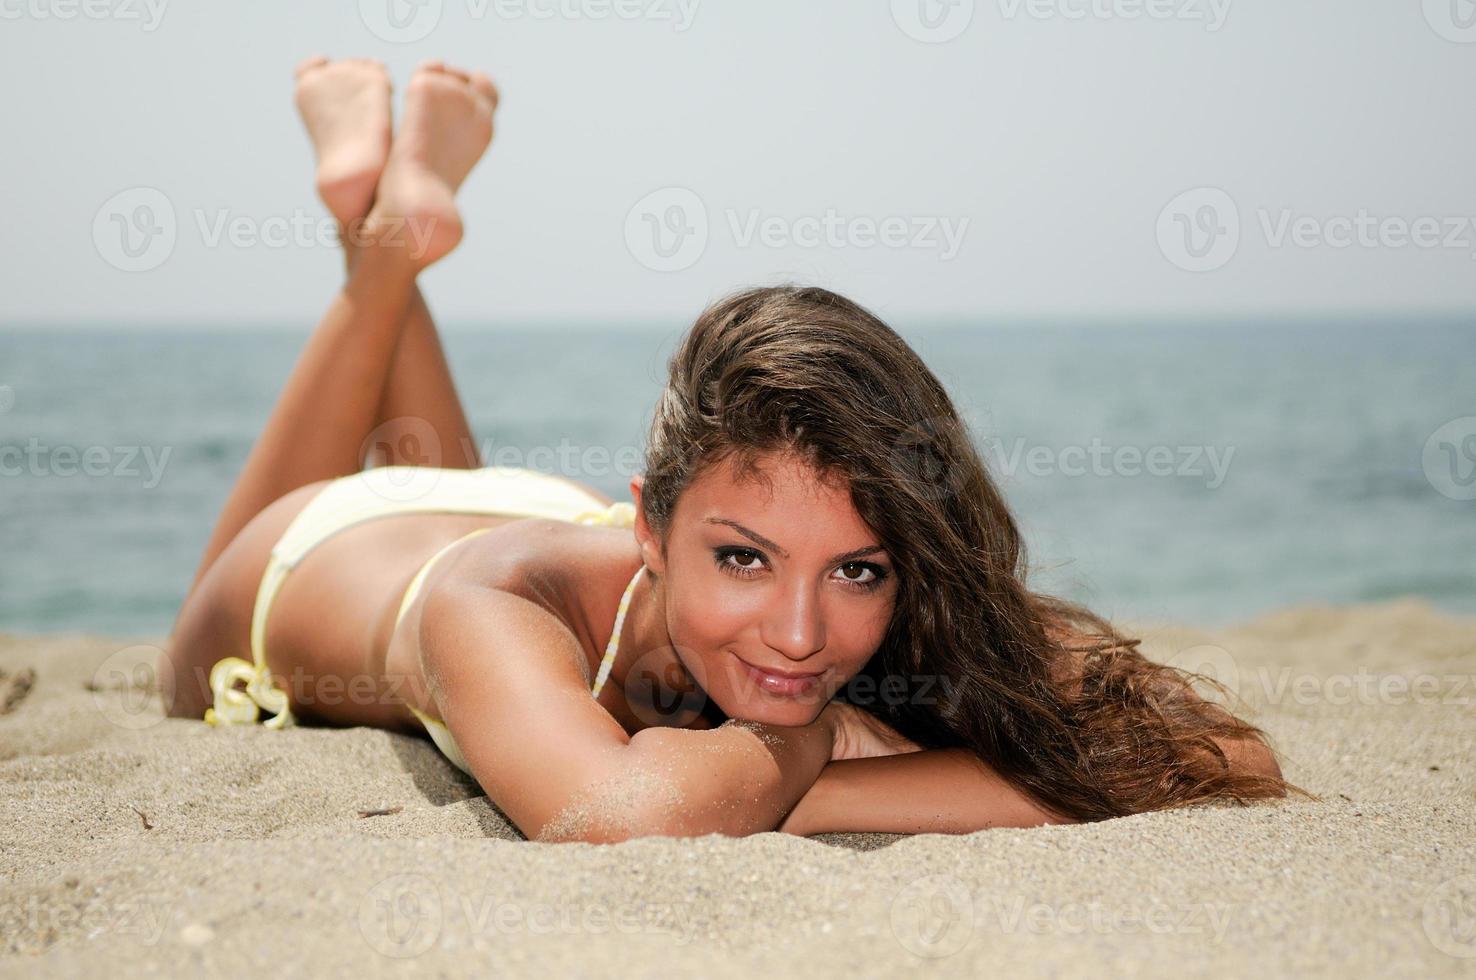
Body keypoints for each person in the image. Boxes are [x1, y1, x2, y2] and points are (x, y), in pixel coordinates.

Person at [163, 57, 1296, 844]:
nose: (801, 636)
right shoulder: (492, 606)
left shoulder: (779, 555)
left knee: (457, 471)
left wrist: (812, 775)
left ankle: (386, 213)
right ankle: (381, 249)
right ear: (648, 525)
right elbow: (622, 819)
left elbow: (1228, 759)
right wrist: (813, 739)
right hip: (305, 562)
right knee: (182, 651)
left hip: (505, 498)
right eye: (745, 558)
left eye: (858, 568)